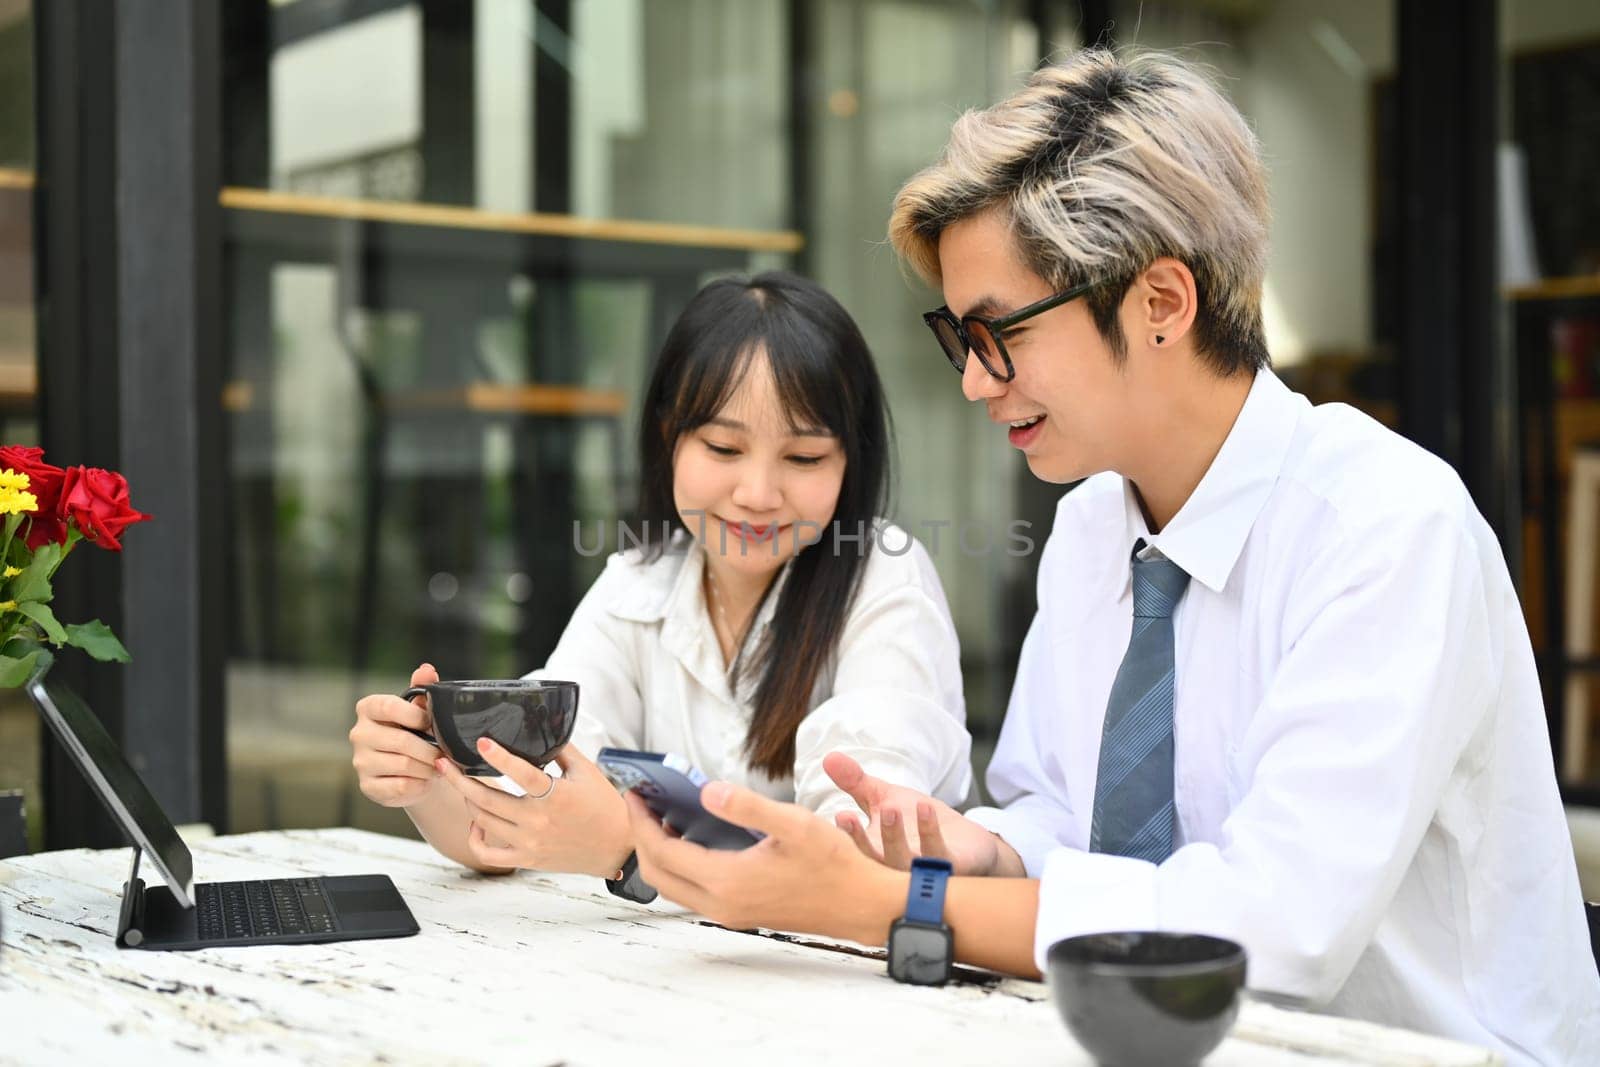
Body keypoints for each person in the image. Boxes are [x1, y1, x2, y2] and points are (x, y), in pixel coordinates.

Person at [621, 49, 1600, 1064]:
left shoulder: (1386, 529)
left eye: (999, 334)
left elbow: (1271, 933)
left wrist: (885, 904)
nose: (971, 382)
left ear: (1161, 303)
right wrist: (981, 847)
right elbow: (1064, 816)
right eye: (958, 338)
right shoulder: (1095, 524)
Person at [349, 271, 971, 882]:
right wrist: (421, 779)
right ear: (667, 437)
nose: (757, 494)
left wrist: (630, 851)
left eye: (803, 457)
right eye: (724, 449)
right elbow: (519, 817)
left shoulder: (884, 578)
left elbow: (857, 859)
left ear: (850, 463)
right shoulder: (639, 583)